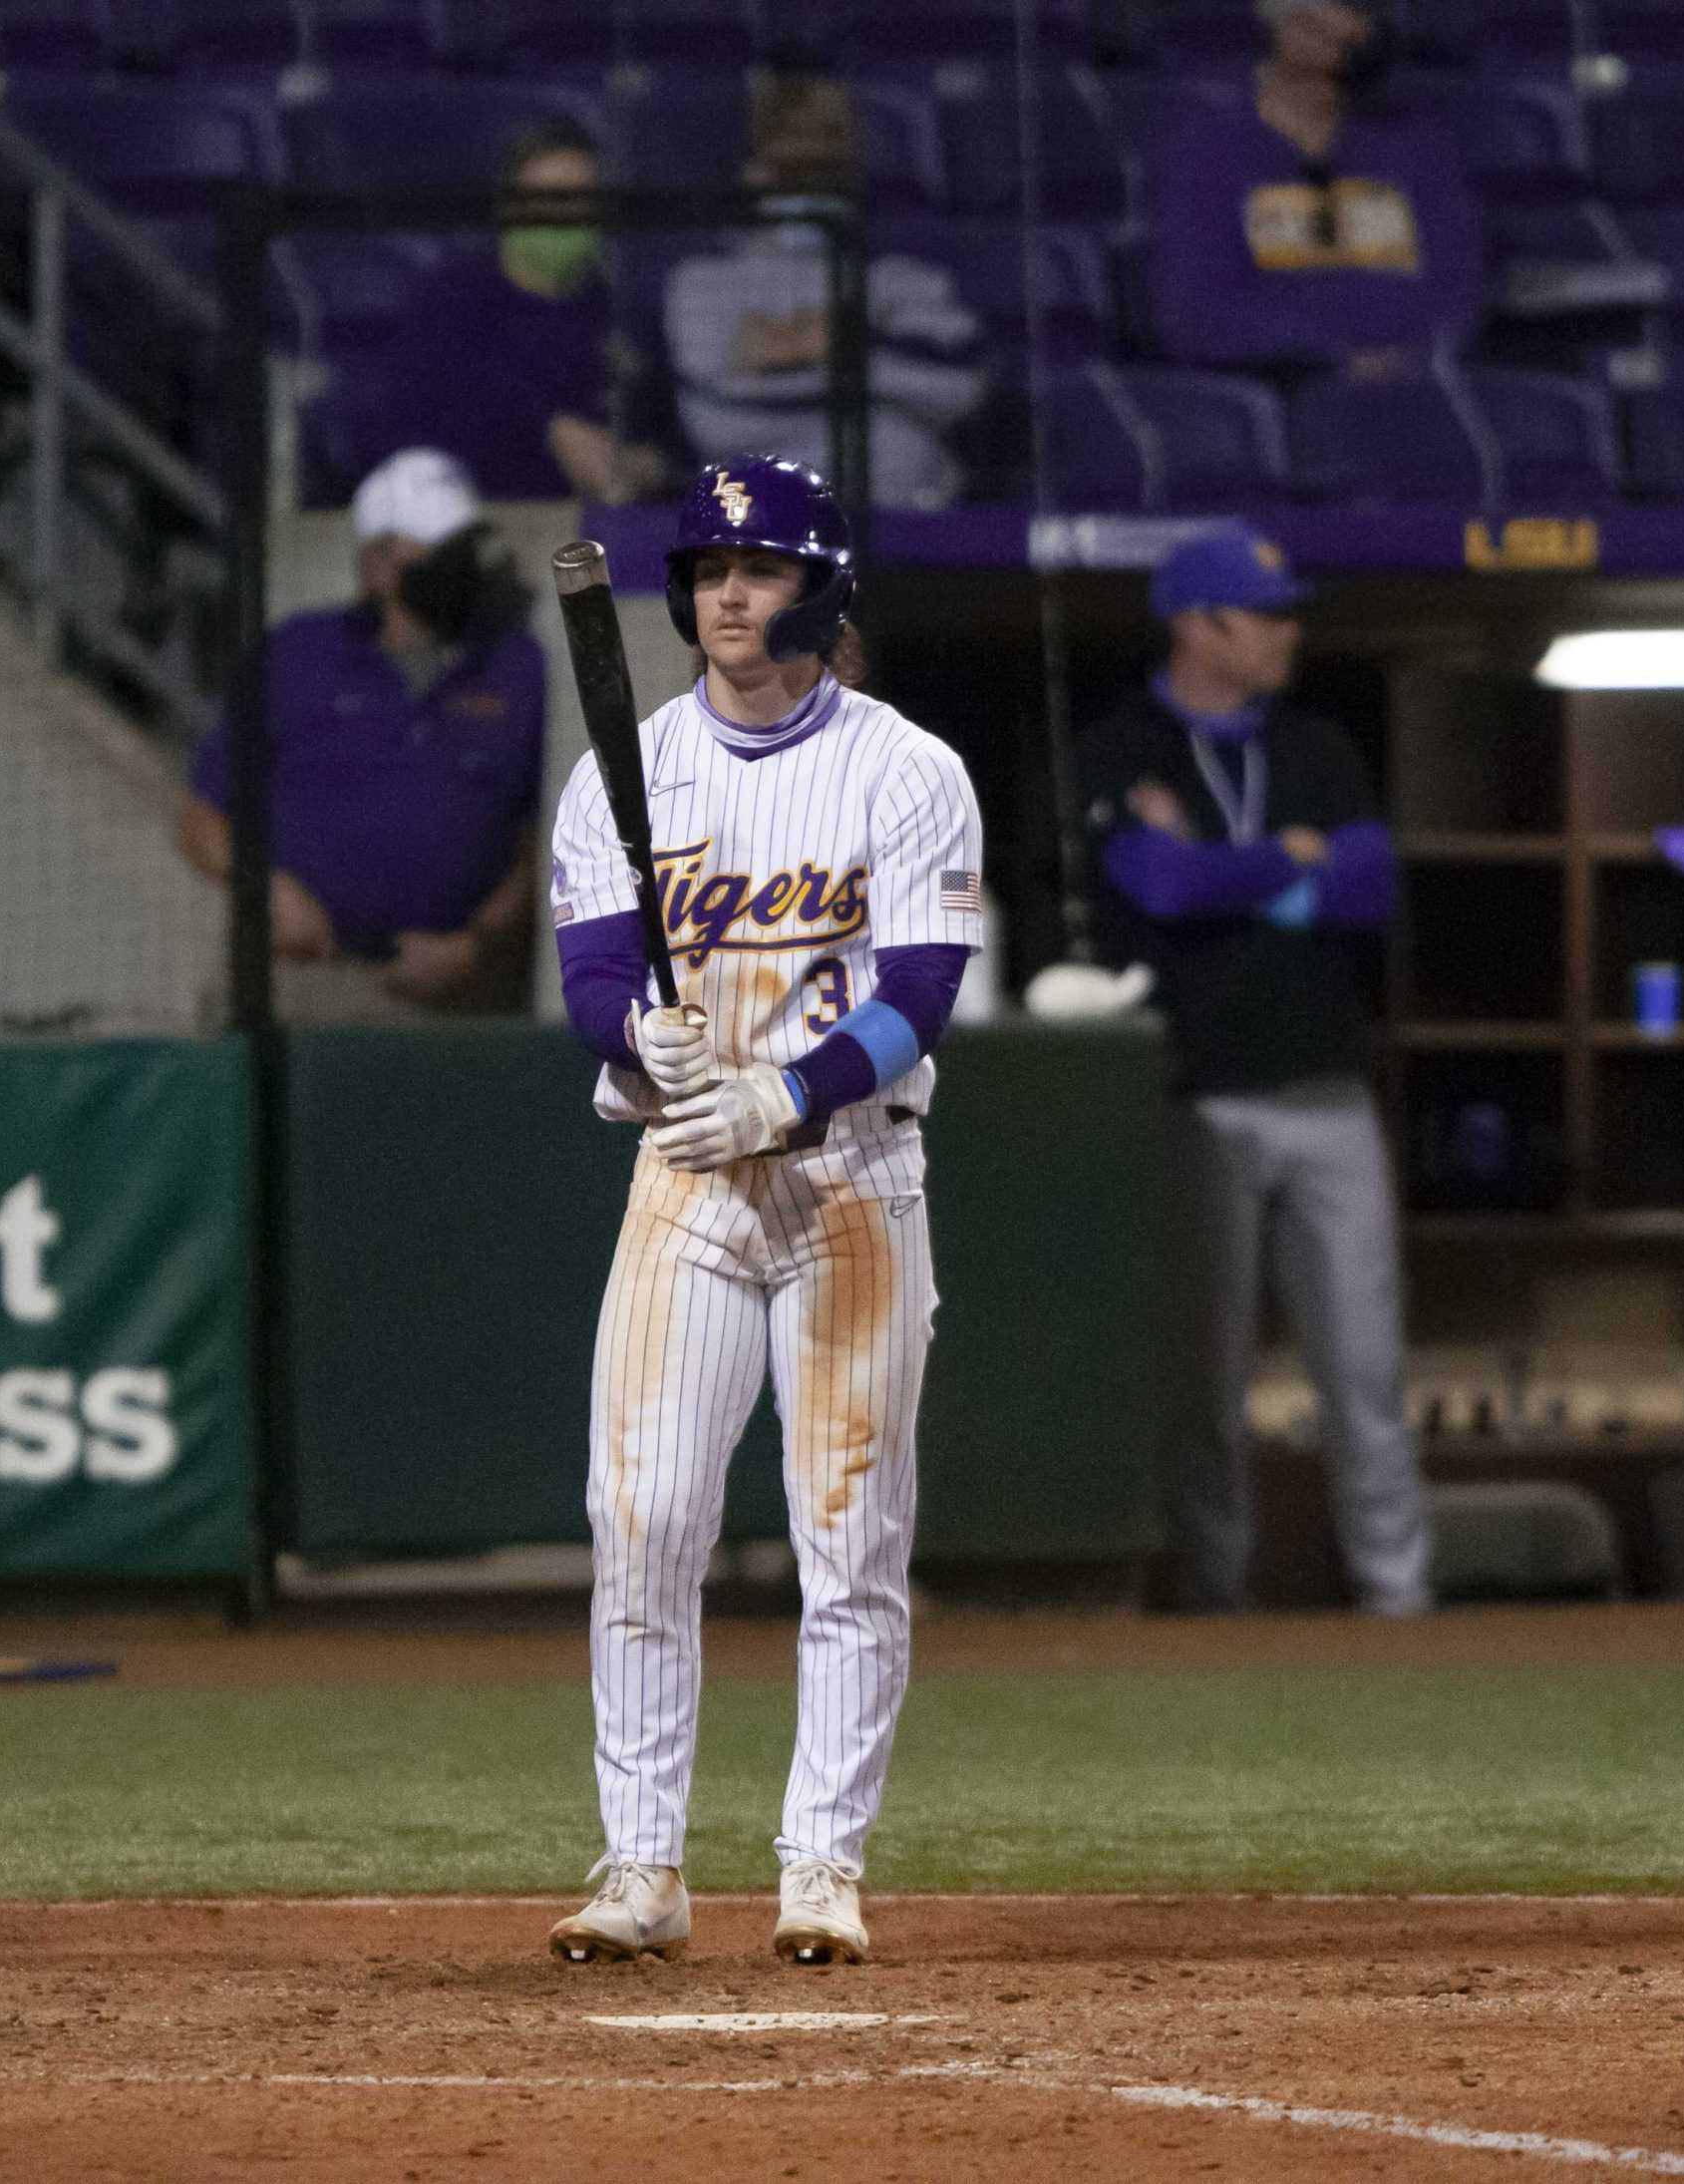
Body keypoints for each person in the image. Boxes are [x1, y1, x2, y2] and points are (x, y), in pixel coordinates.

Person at [544, 456, 983, 1967]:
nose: (731, 592)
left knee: (848, 1537)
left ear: (822, 588)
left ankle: (821, 1869)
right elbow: (598, 972)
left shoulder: (905, 767)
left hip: (853, 1180)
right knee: (644, 1517)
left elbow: (922, 993)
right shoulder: (631, 767)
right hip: (684, 1185)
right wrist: (630, 1039)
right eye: (714, 569)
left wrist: (785, 1093)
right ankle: (643, 1868)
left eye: (765, 568)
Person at [1074, 524, 1430, 1617]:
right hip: (1201, 1102)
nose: (1288, 632)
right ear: (1195, 624)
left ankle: (1398, 1600)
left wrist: (1237, 873)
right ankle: (1210, 1604)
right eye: (1263, 614)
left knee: (1365, 1373)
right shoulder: (1123, 745)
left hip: (1328, 1093)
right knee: (1206, 1382)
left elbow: (1370, 884)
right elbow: (1160, 886)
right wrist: (1291, 864)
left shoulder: (1318, 743)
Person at [177, 447, 545, 1020]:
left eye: (461, 543)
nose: (457, 561)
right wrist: (265, 891)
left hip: (454, 997)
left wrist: (476, 945)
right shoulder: (297, 653)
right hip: (301, 978)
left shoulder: (517, 667)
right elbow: (201, 819)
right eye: (435, 546)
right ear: (377, 565)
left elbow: (537, 841)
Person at [663, 75, 990, 511]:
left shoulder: (904, 279)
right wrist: (881, 369)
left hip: (909, 521)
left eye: (828, 172)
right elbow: (718, 417)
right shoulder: (700, 285)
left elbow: (962, 388)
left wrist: (834, 342)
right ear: (755, 175)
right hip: (763, 528)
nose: (811, 189)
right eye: (795, 173)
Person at [1147, 0, 1483, 377]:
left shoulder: (1417, 144)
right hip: (1274, 388)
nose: (1341, 29)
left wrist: (1406, 362)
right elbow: (1195, 312)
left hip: (1409, 391)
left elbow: (1455, 290)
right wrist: (1327, 358)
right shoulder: (1207, 149)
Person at [351, 121, 670, 505]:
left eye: (581, 197)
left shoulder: (621, 315)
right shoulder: (450, 298)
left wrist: (633, 466)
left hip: (599, 525)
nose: (564, 214)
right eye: (547, 198)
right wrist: (550, 432)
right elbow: (413, 430)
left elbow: (668, 446)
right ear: (509, 205)